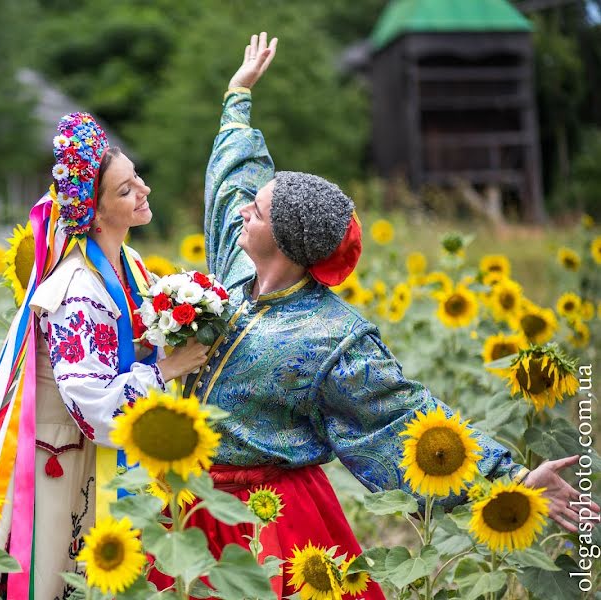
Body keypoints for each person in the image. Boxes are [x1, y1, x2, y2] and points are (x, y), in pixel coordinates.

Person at [151, 32, 600, 598]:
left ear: (287, 242)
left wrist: (507, 480)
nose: (245, 210)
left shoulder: (333, 336)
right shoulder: (232, 271)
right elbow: (231, 181)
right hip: (185, 501)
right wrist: (237, 96)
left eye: (259, 211)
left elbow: (403, 420)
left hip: (267, 520)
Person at [0, 112, 209, 599]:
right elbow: (90, 401)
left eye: (137, 178)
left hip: (99, 449)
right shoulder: (78, 288)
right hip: (64, 456)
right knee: (54, 574)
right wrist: (168, 369)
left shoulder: (127, 263)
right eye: (126, 189)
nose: (145, 191)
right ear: (95, 211)